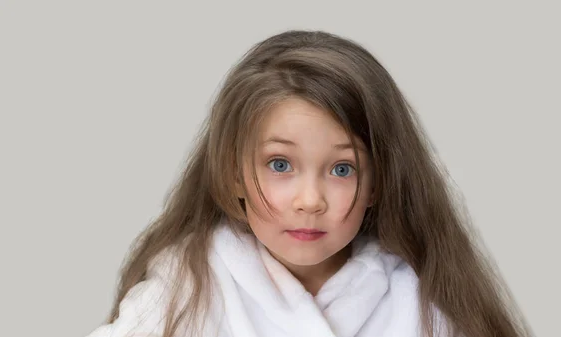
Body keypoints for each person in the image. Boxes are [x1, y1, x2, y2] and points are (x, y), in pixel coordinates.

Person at [86, 30, 532, 337]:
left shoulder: (420, 301)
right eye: (280, 165)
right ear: (234, 171)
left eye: (342, 169)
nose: (310, 200)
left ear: (378, 183)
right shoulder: (184, 286)